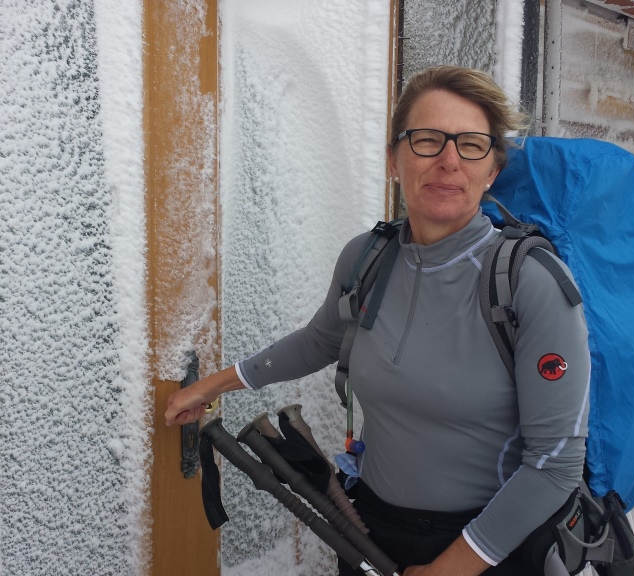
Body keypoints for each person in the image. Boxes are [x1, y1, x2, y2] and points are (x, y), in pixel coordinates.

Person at [165, 65, 590, 576]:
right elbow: (319, 341)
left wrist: (448, 570)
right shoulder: (367, 259)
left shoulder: (529, 282)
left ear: (492, 170)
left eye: (472, 144)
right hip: (368, 530)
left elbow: (555, 464)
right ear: (394, 159)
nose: (449, 160)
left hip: (489, 547)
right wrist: (209, 387)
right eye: (427, 140)